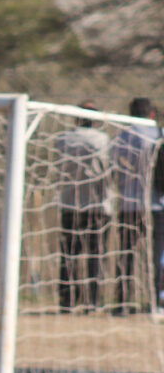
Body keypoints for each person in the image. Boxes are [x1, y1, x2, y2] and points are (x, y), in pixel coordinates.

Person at [55, 101, 110, 313]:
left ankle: (66, 301)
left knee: (69, 253)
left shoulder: (62, 139)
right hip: (96, 205)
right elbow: (106, 171)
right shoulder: (102, 140)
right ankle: (92, 301)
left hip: (69, 202)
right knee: (95, 253)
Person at [111, 97, 163, 314]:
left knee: (126, 252)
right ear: (151, 113)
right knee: (158, 254)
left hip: (129, 204)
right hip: (158, 204)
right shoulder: (159, 135)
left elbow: (112, 165)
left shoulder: (122, 136)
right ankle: (157, 300)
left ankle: (122, 301)